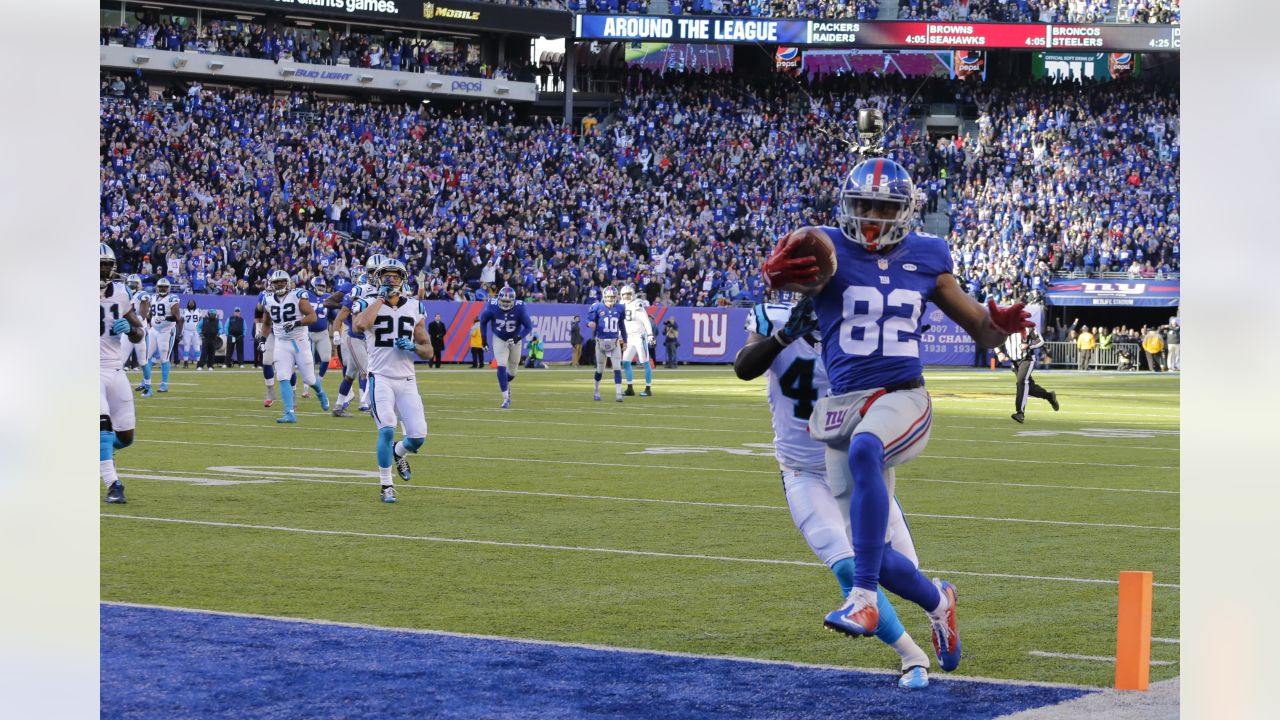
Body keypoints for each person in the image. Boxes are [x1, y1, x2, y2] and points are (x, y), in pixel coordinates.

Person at [762, 157, 1030, 667]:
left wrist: (1000, 324)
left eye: (883, 207)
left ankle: (861, 602)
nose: (870, 216)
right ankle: (938, 601)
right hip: (845, 407)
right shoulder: (828, 247)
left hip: (903, 397)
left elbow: (981, 329)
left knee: (866, 448)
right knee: (877, 557)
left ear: (905, 212)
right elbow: (792, 280)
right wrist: (778, 277)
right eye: (862, 204)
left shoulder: (928, 254)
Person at [734, 296, 932, 689]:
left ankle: (940, 603)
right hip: (803, 469)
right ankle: (913, 656)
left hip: (857, 465)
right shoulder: (773, 314)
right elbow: (744, 367)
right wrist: (781, 337)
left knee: (899, 571)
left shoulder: (864, 318)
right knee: (846, 566)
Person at [352, 258, 433, 504]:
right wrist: (380, 298)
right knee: (386, 428)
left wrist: (414, 347)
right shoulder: (368, 302)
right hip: (381, 377)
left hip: (407, 378)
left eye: (395, 276)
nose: (390, 280)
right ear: (377, 280)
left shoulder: (415, 307)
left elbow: (428, 350)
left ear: (403, 279)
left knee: (418, 436)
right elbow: (360, 325)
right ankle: (386, 485)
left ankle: (400, 451)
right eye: (385, 276)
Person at [100, 243, 146, 504]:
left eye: (108, 264)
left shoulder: (121, 293)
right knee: (102, 423)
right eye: (100, 264)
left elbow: (139, 331)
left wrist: (129, 330)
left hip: (115, 369)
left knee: (126, 437)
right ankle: (113, 485)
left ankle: (99, 451)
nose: (105, 269)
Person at [260, 269, 330, 423]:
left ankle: (320, 392)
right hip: (281, 342)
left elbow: (312, 317)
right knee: (283, 376)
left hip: (300, 341)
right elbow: (266, 323)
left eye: (282, 282)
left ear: (287, 283)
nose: (279, 285)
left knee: (310, 379)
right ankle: (289, 412)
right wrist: (262, 340)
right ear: (271, 284)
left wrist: (296, 323)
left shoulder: (297, 295)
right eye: (276, 282)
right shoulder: (268, 299)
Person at [330, 268, 377, 417]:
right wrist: (336, 334)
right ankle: (373, 406)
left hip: (367, 338)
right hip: (356, 338)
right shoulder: (354, 297)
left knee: (350, 374)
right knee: (369, 372)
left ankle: (338, 407)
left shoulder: (377, 297)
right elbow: (339, 318)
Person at [479, 286, 532, 409]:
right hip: (499, 338)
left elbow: (528, 326)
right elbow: (483, 321)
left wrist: (517, 338)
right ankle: (505, 398)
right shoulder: (492, 305)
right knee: (501, 365)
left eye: (508, 302)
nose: (505, 304)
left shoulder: (520, 307)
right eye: (503, 301)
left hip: (515, 339)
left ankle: (505, 383)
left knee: (512, 372)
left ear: (513, 301)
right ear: (499, 299)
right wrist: (483, 340)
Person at [997, 326, 1059, 424]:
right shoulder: (1005, 327)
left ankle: (1020, 413)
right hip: (1014, 361)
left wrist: (1029, 346)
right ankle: (1049, 396)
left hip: (1027, 359)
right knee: (1029, 388)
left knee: (1021, 382)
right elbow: (994, 340)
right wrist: (999, 352)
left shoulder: (1028, 328)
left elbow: (1040, 341)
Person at [140, 277, 182, 395]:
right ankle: (145, 381)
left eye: (165, 287)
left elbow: (177, 317)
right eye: (161, 287)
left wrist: (164, 318)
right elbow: (151, 314)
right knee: (146, 357)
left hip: (166, 330)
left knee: (164, 358)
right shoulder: (153, 297)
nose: (163, 288)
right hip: (154, 330)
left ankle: (164, 384)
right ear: (157, 288)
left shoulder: (172, 298)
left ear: (168, 288)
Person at [586, 286, 628, 402]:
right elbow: (588, 320)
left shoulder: (620, 308)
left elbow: (622, 326)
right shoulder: (597, 307)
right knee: (600, 369)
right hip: (600, 342)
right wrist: (590, 323)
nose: (610, 299)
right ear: (604, 297)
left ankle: (619, 393)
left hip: (614, 342)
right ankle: (596, 390)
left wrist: (625, 341)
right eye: (608, 296)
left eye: (612, 296)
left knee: (617, 368)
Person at [619, 285, 655, 397]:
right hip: (628, 337)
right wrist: (620, 335)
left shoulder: (637, 303)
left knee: (645, 361)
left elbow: (645, 319)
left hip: (640, 336)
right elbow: (621, 323)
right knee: (625, 362)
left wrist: (650, 334)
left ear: (633, 294)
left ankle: (648, 388)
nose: (627, 296)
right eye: (625, 294)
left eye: (629, 294)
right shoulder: (620, 304)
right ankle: (630, 388)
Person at [306, 276, 336, 391]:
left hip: (323, 333)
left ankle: (319, 380)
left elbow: (333, 316)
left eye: (322, 286)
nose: (321, 288)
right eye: (318, 286)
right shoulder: (306, 295)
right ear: (313, 286)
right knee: (309, 361)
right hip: (308, 333)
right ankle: (306, 387)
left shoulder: (328, 297)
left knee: (326, 358)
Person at [121, 274, 150, 375]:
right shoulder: (124, 295)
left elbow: (142, 316)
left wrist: (129, 318)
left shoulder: (142, 295)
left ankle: (147, 387)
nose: (131, 286)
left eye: (134, 284)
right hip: (127, 330)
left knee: (143, 362)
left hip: (140, 330)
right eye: (130, 284)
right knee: (120, 360)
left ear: (139, 285)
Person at [180, 299, 202, 368]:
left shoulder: (198, 310)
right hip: (187, 331)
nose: (191, 304)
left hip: (195, 331)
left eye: (192, 303)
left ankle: (199, 362)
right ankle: (185, 362)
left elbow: (201, 321)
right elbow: (181, 321)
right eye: (190, 303)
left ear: (195, 304)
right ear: (188, 304)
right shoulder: (184, 311)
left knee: (197, 346)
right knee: (186, 346)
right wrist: (181, 331)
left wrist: (200, 330)